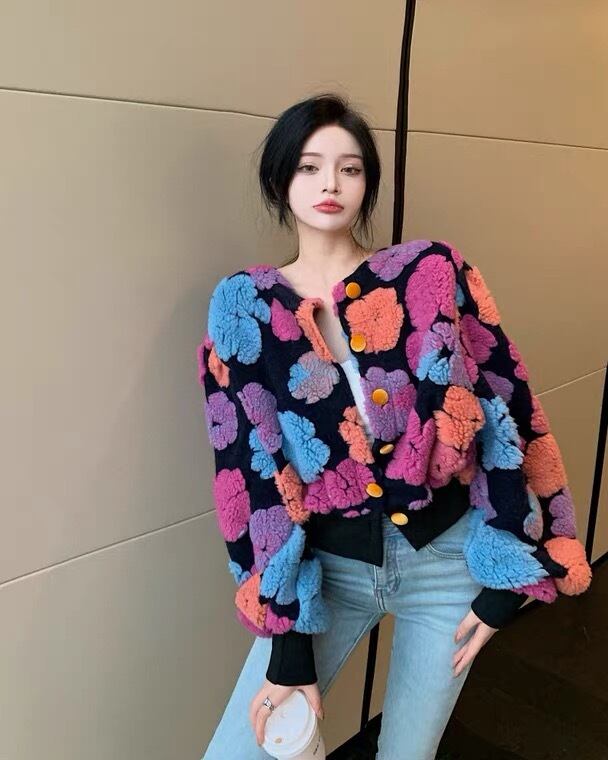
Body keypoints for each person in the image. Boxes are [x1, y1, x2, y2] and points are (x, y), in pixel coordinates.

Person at [197, 93, 592, 759]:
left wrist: (513, 573)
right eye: (309, 166)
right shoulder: (244, 307)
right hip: (329, 569)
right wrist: (288, 642)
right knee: (239, 752)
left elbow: (508, 407)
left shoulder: (427, 273)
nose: (330, 183)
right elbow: (248, 472)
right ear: (280, 179)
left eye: (349, 168)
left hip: (448, 565)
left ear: (368, 183)